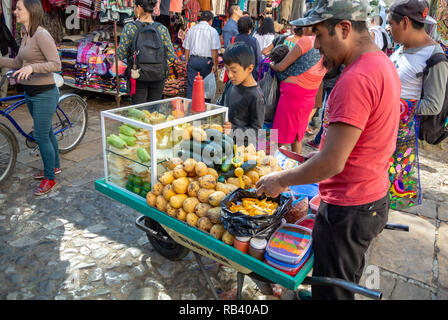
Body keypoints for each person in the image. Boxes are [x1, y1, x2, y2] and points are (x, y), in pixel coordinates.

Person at [255, 0, 401, 300]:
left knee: (331, 293)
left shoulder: (356, 79)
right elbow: (354, 144)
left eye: (320, 34)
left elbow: (332, 162)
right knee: (343, 281)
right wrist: (314, 158)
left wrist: (281, 180)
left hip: (349, 207)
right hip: (371, 195)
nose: (317, 45)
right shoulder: (382, 62)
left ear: (344, 28)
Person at [387, 0, 448, 210]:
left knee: (388, 197)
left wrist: (390, 104)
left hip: (399, 138)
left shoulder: (435, 57)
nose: (388, 28)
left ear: (404, 22)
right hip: (384, 130)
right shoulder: (402, 47)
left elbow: (433, 105)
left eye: (390, 23)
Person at [0, 0, 62, 195]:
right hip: (30, 93)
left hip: (45, 93)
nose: (14, 11)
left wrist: (32, 67)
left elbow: (56, 64)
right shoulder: (26, 35)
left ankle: (50, 178)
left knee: (41, 135)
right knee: (47, 132)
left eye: (19, 8)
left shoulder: (42, 35)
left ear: (31, 11)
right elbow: (18, 62)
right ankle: (56, 166)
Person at [269, 26, 326, 154]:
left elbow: (280, 67)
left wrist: (270, 64)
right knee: (297, 136)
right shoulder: (329, 46)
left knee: (276, 135)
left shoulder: (307, 41)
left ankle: (270, 163)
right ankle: (297, 165)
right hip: (310, 96)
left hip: (292, 94)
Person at [116, 0, 175, 104]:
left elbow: (120, 55)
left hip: (137, 75)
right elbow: (171, 56)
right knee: (154, 110)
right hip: (158, 76)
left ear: (138, 8)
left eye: (134, 7)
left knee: (138, 113)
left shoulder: (130, 28)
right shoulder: (162, 29)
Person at [218, 42, 265, 146]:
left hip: (242, 148)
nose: (229, 75)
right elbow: (221, 104)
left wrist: (233, 129)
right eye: (227, 70)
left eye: (234, 71)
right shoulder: (231, 84)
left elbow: (257, 132)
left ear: (250, 68)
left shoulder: (256, 97)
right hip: (225, 141)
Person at [183, 10, 220, 100]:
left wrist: (187, 61)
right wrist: (215, 65)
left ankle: (190, 110)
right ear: (210, 20)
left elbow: (187, 48)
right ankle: (204, 110)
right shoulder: (213, 31)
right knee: (206, 88)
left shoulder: (192, 29)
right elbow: (214, 50)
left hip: (193, 60)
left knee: (192, 86)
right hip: (206, 62)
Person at [305, 65, 344, 149]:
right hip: (274, 122)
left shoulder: (281, 76)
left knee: (275, 132)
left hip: (273, 121)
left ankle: (273, 154)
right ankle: (273, 154)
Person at [233, 16, 261, 80]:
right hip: (250, 75)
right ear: (250, 28)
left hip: (236, 73)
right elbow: (259, 59)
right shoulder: (254, 41)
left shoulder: (234, 39)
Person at [0, 4, 19, 98]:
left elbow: (10, 39)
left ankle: (2, 99)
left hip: (3, 53)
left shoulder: (1, 24)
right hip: (3, 54)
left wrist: (18, 51)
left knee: (5, 77)